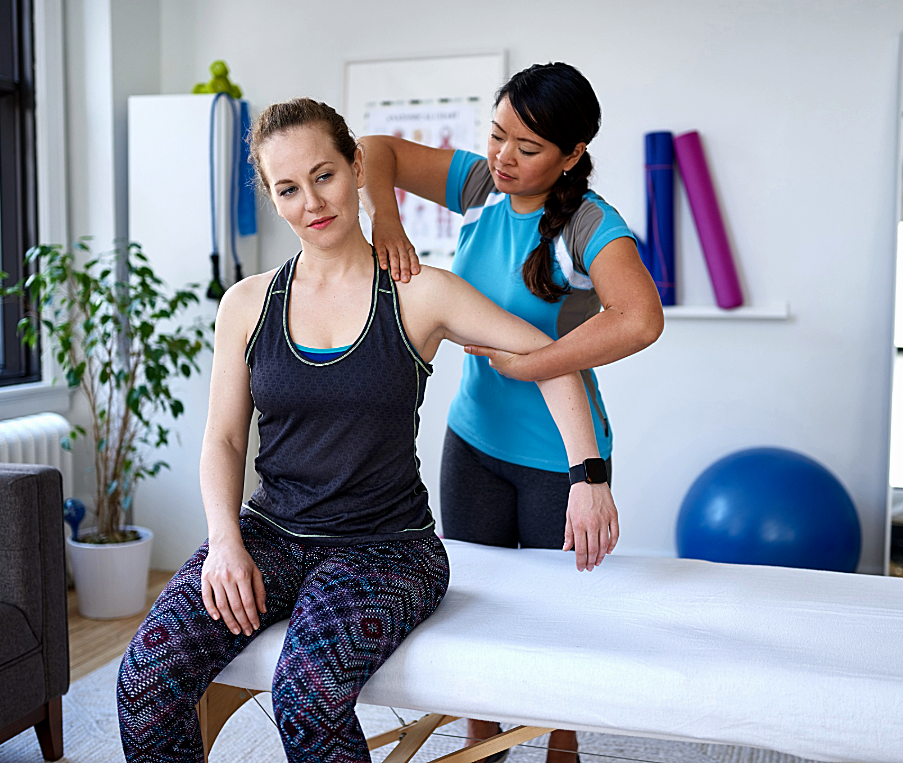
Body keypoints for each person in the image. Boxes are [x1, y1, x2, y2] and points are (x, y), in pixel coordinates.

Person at [116, 97, 617, 763]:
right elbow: (225, 440)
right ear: (272, 198)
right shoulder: (246, 303)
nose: (312, 202)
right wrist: (223, 542)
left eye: (323, 175)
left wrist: (588, 475)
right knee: (144, 680)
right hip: (271, 534)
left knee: (308, 695)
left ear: (356, 167)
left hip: (386, 550)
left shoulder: (419, 292)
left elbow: (552, 364)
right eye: (288, 188)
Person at [359, 63, 664, 763]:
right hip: (474, 439)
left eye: (526, 149)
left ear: (572, 154)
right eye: (496, 136)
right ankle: (481, 740)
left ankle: (562, 740)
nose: (503, 158)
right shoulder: (478, 185)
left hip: (557, 453)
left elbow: (641, 319)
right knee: (472, 606)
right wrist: (386, 214)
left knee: (554, 620)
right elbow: (374, 149)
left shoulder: (590, 224)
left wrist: (535, 363)